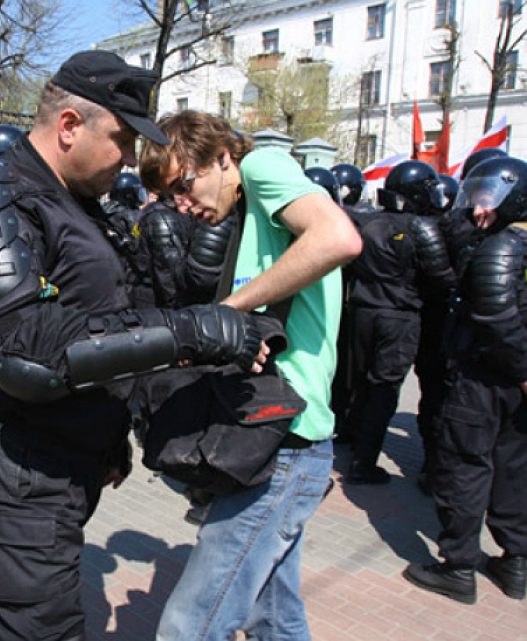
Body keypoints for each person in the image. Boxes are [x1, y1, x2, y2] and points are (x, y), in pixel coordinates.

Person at [0, 51, 263, 641]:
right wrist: (195, 331)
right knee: (41, 626)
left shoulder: (85, 207)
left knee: (5, 611)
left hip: (69, 455)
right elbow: (28, 353)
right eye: (122, 140)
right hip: (16, 459)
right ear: (68, 126)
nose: (133, 161)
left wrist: (110, 434)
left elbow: (108, 316)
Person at [139, 110, 362, 640]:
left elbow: (338, 238)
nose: (182, 203)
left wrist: (231, 310)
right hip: (269, 439)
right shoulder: (243, 216)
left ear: (221, 157)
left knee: (187, 626)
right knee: (274, 618)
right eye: (170, 196)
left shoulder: (262, 165)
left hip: (284, 443)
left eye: (184, 185)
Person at [404, 156, 527, 604]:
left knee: (465, 467)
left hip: (484, 376)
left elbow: (495, 315)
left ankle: (458, 566)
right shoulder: (513, 241)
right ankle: (515, 560)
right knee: (512, 466)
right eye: (477, 199)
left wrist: (521, 369)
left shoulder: (499, 247)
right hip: (508, 378)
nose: (478, 210)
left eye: (489, 201)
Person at [343, 160, 452, 484]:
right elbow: (442, 278)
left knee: (361, 383)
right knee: (384, 388)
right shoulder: (422, 227)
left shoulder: (368, 222)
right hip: (399, 317)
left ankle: (352, 439)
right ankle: (365, 462)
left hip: (363, 311)